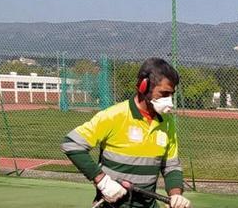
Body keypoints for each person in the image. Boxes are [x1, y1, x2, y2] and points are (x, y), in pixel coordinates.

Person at [61, 57, 190, 208]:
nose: (170, 101)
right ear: (143, 87)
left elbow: (171, 166)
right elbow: (71, 144)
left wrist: (176, 195)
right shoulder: (115, 115)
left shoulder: (167, 122)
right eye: (164, 94)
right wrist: (102, 181)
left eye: (171, 94)